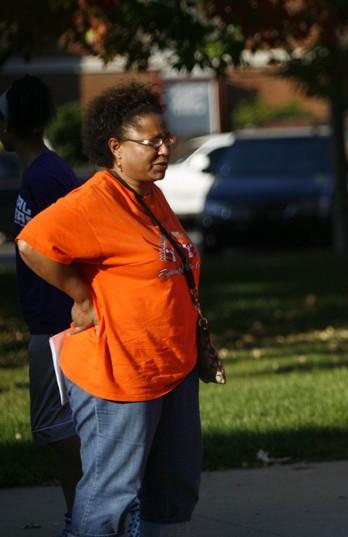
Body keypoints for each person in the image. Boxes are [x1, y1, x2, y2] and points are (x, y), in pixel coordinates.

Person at [16, 81, 201, 537]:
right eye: (152, 141)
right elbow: (31, 244)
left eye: (166, 138)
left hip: (169, 368)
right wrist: (81, 296)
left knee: (173, 489)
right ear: (116, 148)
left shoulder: (148, 194)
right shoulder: (94, 200)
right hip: (117, 372)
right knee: (109, 496)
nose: (164, 148)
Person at [1, 75, 82, 536]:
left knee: (57, 429)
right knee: (56, 431)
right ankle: (83, 517)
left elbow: (71, 248)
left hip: (57, 328)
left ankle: (101, 511)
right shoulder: (39, 173)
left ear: (9, 125)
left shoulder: (47, 176)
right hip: (46, 325)